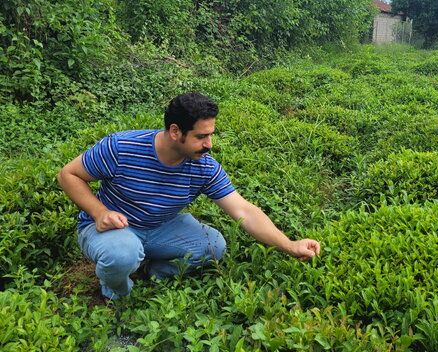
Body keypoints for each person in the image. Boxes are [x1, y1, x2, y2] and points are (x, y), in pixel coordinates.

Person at [57, 92, 320, 300]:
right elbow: (68, 175)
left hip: (161, 226)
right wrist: (99, 212)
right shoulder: (121, 147)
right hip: (113, 227)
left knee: (213, 247)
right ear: (175, 132)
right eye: (201, 136)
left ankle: (150, 271)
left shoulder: (203, 166)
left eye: (211, 135)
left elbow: (244, 211)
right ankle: (118, 292)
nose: (209, 144)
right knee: (123, 253)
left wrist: (290, 245)